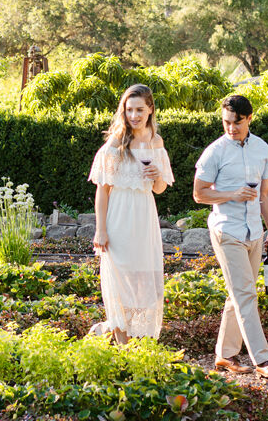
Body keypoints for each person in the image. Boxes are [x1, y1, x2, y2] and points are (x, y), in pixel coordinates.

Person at [193, 94, 268, 378]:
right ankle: (264, 360)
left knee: (238, 295)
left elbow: (266, 194)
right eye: (226, 122)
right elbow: (199, 193)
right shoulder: (215, 152)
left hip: (254, 232)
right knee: (246, 294)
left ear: (249, 118)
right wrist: (231, 194)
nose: (231, 128)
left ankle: (224, 355)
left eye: (237, 122)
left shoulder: (262, 149)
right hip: (226, 230)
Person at [88, 83, 174, 343]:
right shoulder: (116, 142)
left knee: (144, 280)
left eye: (139, 110)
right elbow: (102, 190)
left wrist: (156, 175)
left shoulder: (156, 142)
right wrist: (100, 230)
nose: (134, 116)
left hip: (144, 217)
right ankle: (123, 346)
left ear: (150, 109)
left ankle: (142, 342)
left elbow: (159, 189)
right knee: (120, 280)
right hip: (118, 218)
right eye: (128, 110)